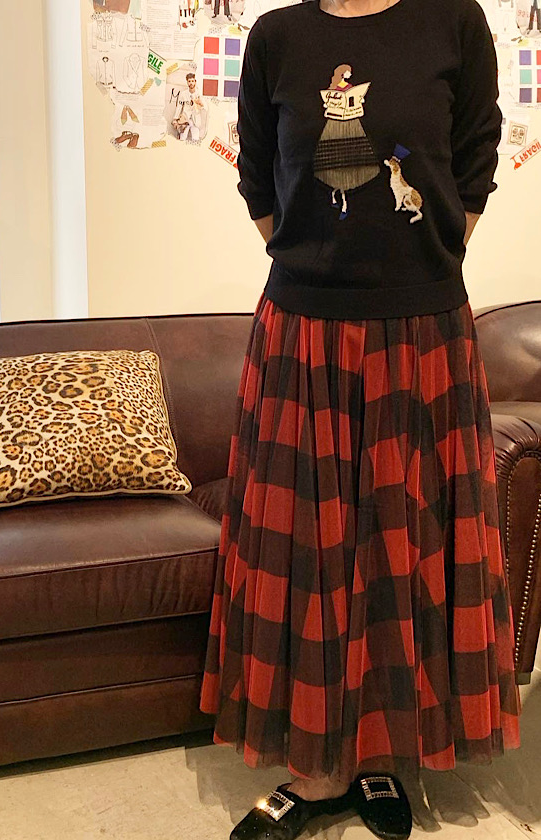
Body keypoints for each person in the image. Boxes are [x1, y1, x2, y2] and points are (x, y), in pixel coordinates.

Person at [198, 1, 522, 839]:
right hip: (302, 331)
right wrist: (317, 268)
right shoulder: (276, 37)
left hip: (423, 333)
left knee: (401, 546)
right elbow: (259, 180)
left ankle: (380, 757)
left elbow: (476, 163)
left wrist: (420, 263)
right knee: (307, 550)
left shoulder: (454, 21)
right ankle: (317, 770)